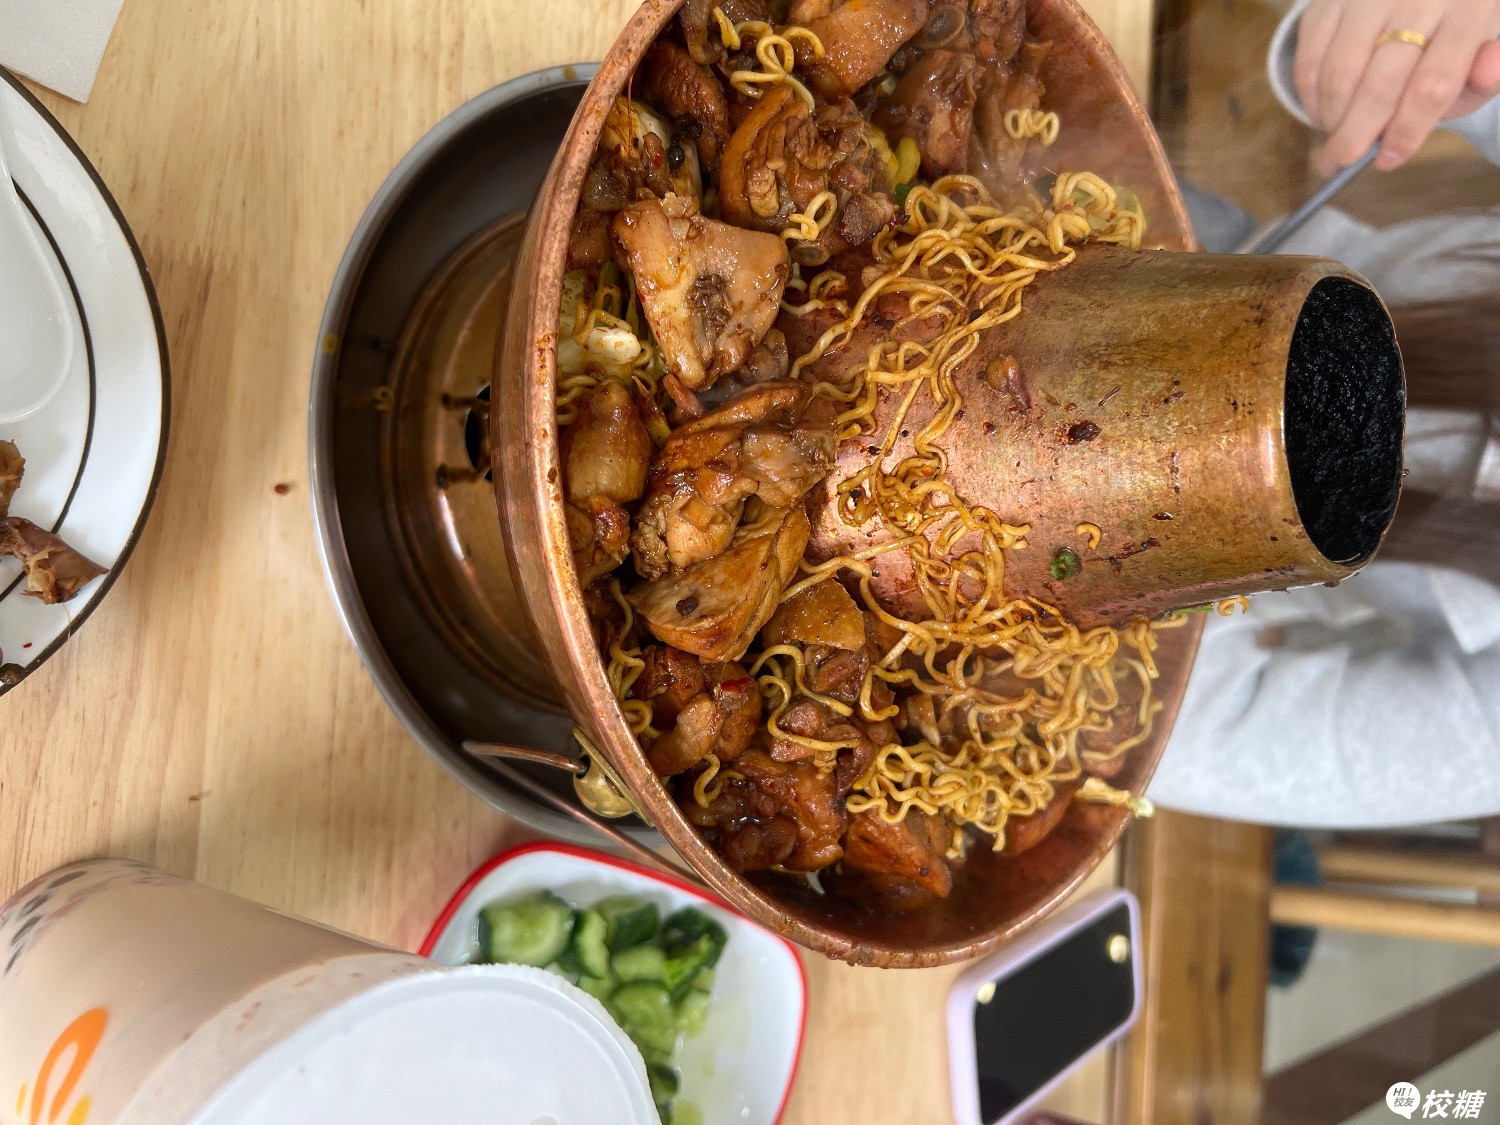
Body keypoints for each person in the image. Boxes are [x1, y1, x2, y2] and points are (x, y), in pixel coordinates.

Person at [1147, 0, 1500, 827]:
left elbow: (1202, 739)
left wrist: (1119, 574)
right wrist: (1381, 42)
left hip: (1129, 558)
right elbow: (1433, 49)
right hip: (1190, 263)